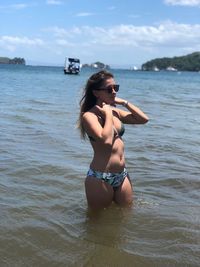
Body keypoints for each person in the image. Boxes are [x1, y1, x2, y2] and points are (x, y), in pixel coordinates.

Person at [78, 70, 149, 210]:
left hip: (122, 175)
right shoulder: (89, 116)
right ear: (96, 92)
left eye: (115, 88)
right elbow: (106, 141)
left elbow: (143, 119)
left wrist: (124, 103)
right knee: (96, 223)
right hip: (100, 177)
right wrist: (108, 114)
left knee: (125, 216)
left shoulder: (115, 112)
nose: (114, 92)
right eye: (109, 89)